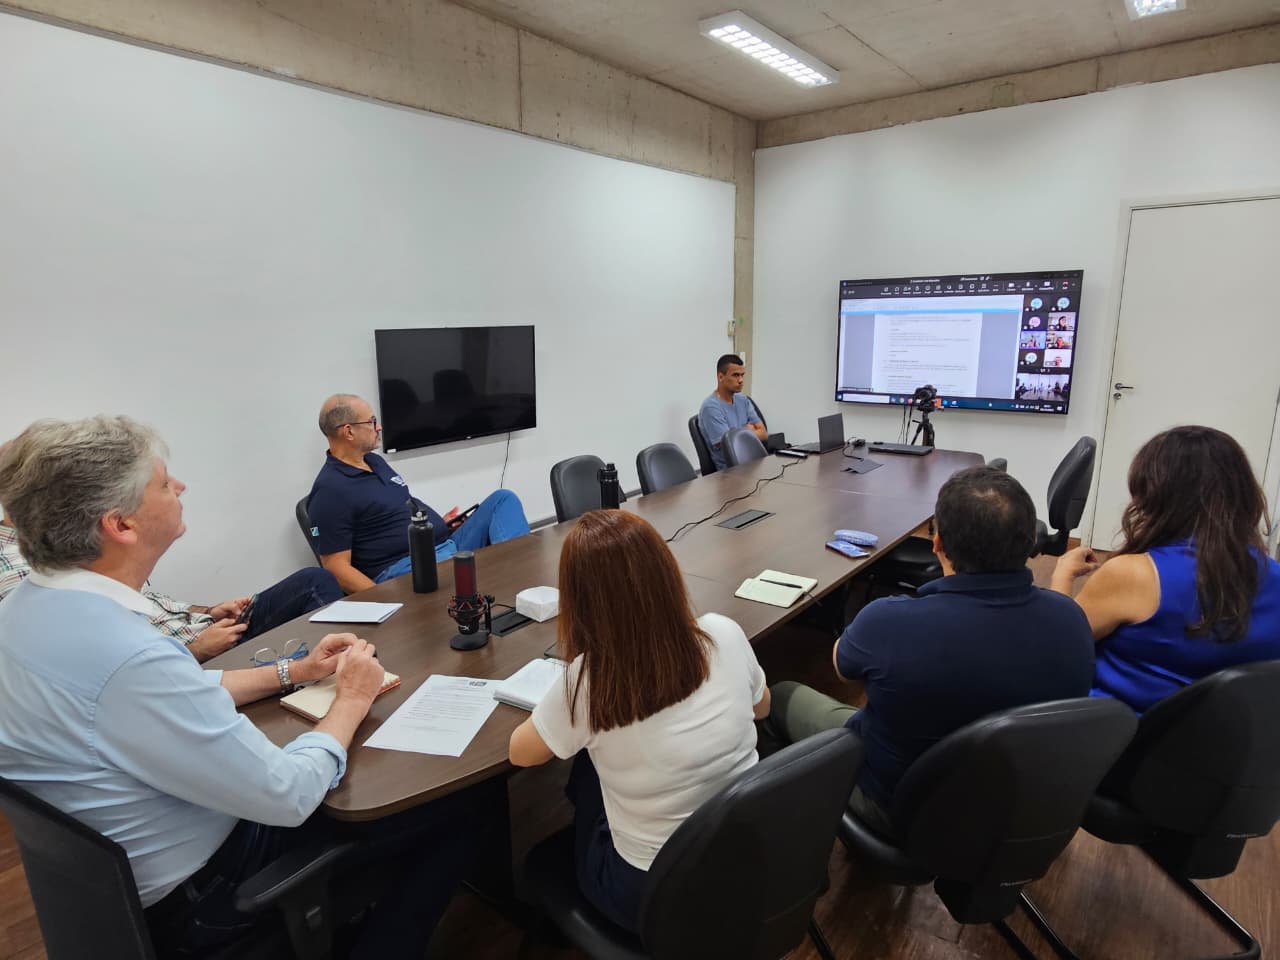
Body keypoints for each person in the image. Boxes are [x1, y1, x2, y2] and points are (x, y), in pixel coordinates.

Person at [0, 416, 484, 958]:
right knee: (463, 805)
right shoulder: (125, 652)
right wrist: (351, 697)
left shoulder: (26, 612)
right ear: (121, 525)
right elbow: (290, 792)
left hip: (110, 890)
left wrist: (293, 673)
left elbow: (167, 693)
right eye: (162, 483)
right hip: (202, 899)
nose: (179, 487)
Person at [765, 466, 1095, 837]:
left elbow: (843, 668)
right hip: (1015, 807)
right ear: (1028, 543)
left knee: (779, 696)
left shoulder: (888, 622)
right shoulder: (1072, 619)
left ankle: (791, 843)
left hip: (901, 812)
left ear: (936, 544)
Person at [508, 510, 769, 933]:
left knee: (588, 767)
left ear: (579, 602)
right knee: (600, 758)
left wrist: (561, 700)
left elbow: (520, 753)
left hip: (654, 895)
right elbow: (763, 709)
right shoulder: (722, 632)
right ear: (666, 573)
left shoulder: (590, 682)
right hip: (747, 858)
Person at [1051, 426, 1280, 713]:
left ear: (1155, 494)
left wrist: (1062, 576)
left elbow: (1054, 653)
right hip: (1223, 749)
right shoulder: (1274, 576)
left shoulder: (1134, 574)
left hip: (1117, 742)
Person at [0, 513, 341, 663]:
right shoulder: (15, 567)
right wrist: (194, 651)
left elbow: (149, 603)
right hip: (189, 657)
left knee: (312, 580)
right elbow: (110, 653)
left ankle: (356, 663)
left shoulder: (68, 546)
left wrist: (208, 610)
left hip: (202, 628)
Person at [307, 394, 530, 593]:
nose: (379, 427)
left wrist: (436, 525)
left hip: (443, 545)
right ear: (349, 431)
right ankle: (516, 582)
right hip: (406, 568)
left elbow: (396, 509)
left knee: (503, 499)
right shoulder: (330, 490)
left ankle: (517, 577)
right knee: (487, 572)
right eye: (372, 421)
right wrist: (386, 604)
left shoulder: (375, 462)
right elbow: (336, 567)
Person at [697, 354, 766, 470]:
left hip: (752, 465)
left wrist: (739, 433)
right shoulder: (710, 407)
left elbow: (763, 434)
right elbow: (731, 446)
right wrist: (748, 429)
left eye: (742, 375)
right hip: (730, 473)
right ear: (720, 377)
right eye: (735, 375)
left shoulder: (743, 400)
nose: (740, 380)